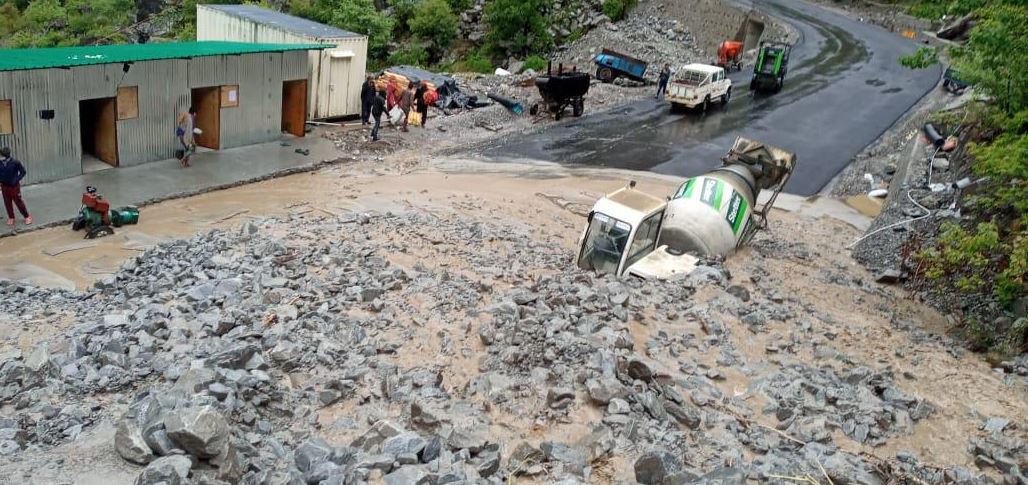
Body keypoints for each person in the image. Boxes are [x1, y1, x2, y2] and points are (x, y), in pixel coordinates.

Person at [0, 147, 31, 226]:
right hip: (4, 186)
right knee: (7, 203)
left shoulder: (15, 162)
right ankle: (11, 217)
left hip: (14, 187)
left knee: (18, 202)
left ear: (6, 155)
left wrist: (16, 179)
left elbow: (23, 172)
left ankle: (27, 216)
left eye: (2, 155)